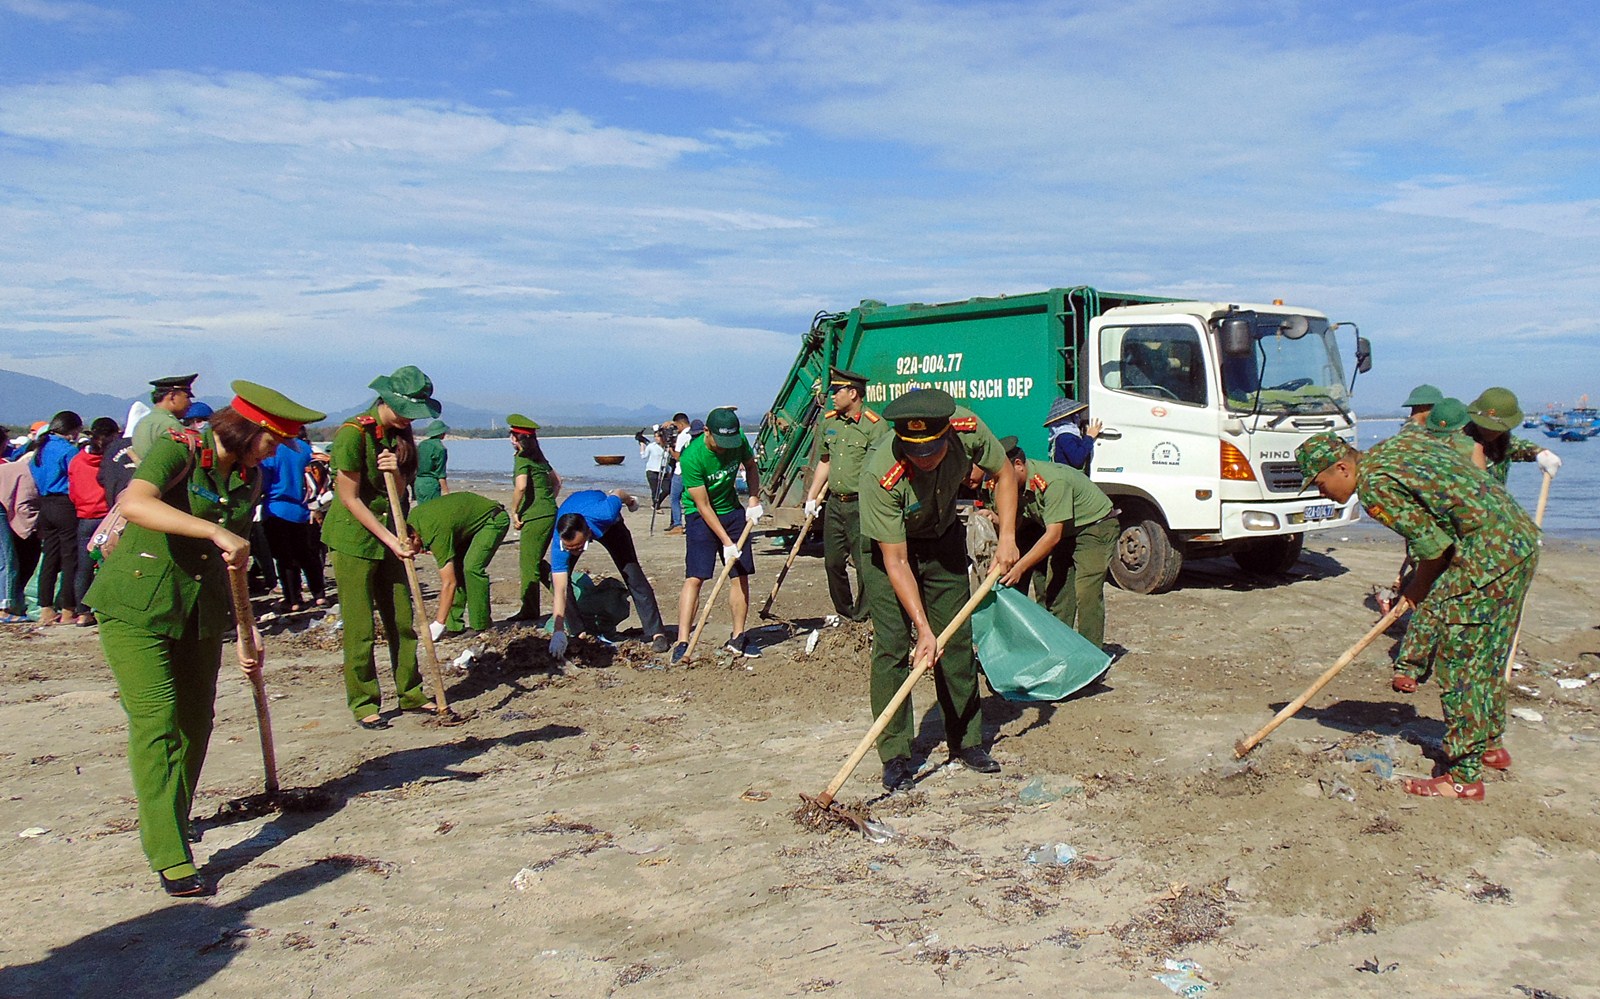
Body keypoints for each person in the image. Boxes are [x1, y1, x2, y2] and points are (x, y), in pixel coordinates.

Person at [86, 381, 323, 896]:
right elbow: (135, 503)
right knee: (158, 721)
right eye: (271, 441)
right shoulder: (180, 449)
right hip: (136, 604)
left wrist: (247, 629)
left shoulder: (248, 477)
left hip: (199, 610)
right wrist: (211, 530)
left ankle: (174, 815)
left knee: (197, 721)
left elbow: (233, 561)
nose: (274, 453)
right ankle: (170, 851)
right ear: (244, 429)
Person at [1298, 431, 1537, 801]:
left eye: (1319, 483)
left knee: (1461, 662)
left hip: (1485, 554)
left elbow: (1434, 547)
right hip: (1518, 540)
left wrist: (1416, 589)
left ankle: (1464, 777)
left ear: (1342, 468)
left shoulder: (1373, 486)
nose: (1321, 493)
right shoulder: (1394, 448)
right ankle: (1490, 746)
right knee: (1489, 654)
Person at [858, 388, 1019, 791]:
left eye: (932, 450)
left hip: (943, 536)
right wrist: (923, 629)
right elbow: (896, 562)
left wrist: (1007, 537)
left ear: (948, 433)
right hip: (891, 551)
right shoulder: (881, 474)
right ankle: (896, 754)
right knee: (894, 646)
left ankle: (966, 741)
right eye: (915, 452)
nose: (924, 459)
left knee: (957, 640)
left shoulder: (968, 428)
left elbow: (1003, 473)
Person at [323, 366, 442, 730]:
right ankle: (364, 701)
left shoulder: (400, 436)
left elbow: (400, 492)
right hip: (353, 539)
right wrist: (390, 539)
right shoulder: (353, 434)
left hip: (392, 533)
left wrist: (398, 472)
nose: (411, 419)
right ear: (387, 401)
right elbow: (349, 498)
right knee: (360, 626)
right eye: (406, 411)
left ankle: (411, 691)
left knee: (402, 619)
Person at [1389, 397, 1483, 693]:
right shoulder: (1466, 448)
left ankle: (1412, 665)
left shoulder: (1424, 444)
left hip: (1437, 532)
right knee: (1434, 597)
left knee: (1430, 597)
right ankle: (1417, 664)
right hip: (1447, 534)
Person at [994, 435, 1117, 649]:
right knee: (1057, 590)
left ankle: (1091, 654)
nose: (1000, 482)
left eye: (1004, 475)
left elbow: (1052, 536)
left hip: (1095, 527)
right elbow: (1019, 522)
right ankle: (1058, 647)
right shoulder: (1015, 485)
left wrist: (1020, 567)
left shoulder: (1051, 482)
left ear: (1019, 465)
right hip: (1067, 530)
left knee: (1086, 591)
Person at [670, 407, 762, 663]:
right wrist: (726, 542)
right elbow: (703, 506)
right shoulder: (692, 457)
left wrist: (753, 499)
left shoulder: (737, 439)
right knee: (695, 577)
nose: (724, 448)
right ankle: (683, 641)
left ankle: (738, 636)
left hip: (731, 509)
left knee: (739, 573)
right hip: (700, 515)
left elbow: (751, 466)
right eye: (720, 442)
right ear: (707, 432)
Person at [802, 367, 890, 621]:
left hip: (861, 505)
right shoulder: (830, 422)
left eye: (836, 391)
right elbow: (825, 461)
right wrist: (811, 497)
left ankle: (863, 616)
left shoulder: (875, 425)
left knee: (865, 564)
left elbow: (881, 468)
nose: (832, 396)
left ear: (853, 393)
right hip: (835, 504)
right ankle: (844, 612)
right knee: (832, 563)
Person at [546, 488, 672, 658]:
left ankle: (657, 633)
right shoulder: (560, 544)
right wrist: (558, 631)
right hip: (575, 510)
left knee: (632, 574)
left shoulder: (605, 513)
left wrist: (631, 502)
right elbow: (560, 589)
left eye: (578, 547)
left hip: (610, 527)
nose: (574, 552)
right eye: (570, 548)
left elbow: (618, 493)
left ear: (588, 533)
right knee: (561, 581)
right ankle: (578, 633)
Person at [406, 491, 510, 638]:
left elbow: (449, 583)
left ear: (414, 537)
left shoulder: (435, 533)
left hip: (493, 519)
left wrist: (438, 623)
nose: (413, 554)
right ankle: (454, 625)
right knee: (456, 569)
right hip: (464, 526)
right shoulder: (412, 521)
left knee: (472, 568)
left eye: (412, 550)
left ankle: (481, 625)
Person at [27, 410, 83, 627]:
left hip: (45, 504)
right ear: (72, 430)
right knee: (69, 558)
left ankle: (46, 608)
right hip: (64, 504)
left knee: (49, 558)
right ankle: (68, 610)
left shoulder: (40, 449)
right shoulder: (68, 450)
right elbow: (77, 477)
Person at [259, 434, 327, 612]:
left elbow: (263, 481)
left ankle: (293, 599)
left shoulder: (270, 448)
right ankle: (319, 594)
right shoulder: (303, 447)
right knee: (307, 554)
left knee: (285, 558)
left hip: (276, 507)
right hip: (302, 508)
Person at [507, 414, 561, 622]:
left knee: (528, 563)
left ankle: (529, 609)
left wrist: (514, 510)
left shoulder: (522, 458)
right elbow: (557, 482)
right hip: (549, 511)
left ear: (515, 438)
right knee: (537, 562)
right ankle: (565, 596)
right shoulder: (539, 457)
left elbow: (521, 486)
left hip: (536, 516)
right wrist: (547, 500)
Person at [67, 417, 120, 627]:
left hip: (85, 517)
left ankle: (83, 613)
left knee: (84, 567)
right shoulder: (112, 460)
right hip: (108, 518)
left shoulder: (77, 460)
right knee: (113, 564)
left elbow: (72, 491)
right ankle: (110, 609)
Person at [1464, 387, 1561, 486]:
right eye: (1486, 426)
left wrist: (1541, 453)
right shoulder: (1459, 442)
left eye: (1497, 429)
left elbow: (1518, 446)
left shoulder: (1502, 441)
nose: (1491, 431)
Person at [0, 449, 41, 622]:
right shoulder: (25, 471)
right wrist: (30, 527)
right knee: (6, 560)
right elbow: (24, 504)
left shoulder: (9, 467)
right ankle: (5, 608)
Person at [131, 374, 198, 461]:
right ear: (172, 397)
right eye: (187, 397)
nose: (189, 403)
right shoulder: (171, 425)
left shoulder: (143, 422)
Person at [1043, 396, 1101, 471]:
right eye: (1075, 415)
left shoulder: (1062, 435)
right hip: (1067, 476)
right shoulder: (1065, 436)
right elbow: (1077, 460)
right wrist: (1089, 437)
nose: (1078, 418)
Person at [665, 413, 691, 534]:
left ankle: (677, 524)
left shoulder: (682, 436)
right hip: (692, 470)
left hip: (680, 471)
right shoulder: (696, 434)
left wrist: (670, 447)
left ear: (680, 424)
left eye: (676, 426)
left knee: (674, 498)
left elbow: (677, 456)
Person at [413, 420, 451, 504]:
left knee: (421, 509)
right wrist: (446, 492)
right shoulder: (440, 449)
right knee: (432, 509)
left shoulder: (422, 444)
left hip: (418, 482)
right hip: (430, 484)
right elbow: (441, 473)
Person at [643, 429, 669, 510]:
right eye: (655, 436)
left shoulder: (667, 447)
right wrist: (642, 445)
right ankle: (656, 506)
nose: (656, 438)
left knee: (667, 489)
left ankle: (656, 503)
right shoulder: (651, 446)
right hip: (652, 470)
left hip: (664, 471)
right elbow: (644, 456)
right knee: (655, 490)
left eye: (658, 436)